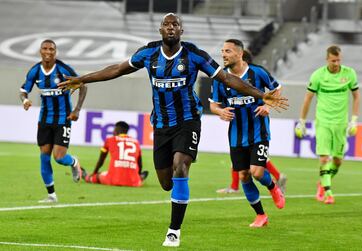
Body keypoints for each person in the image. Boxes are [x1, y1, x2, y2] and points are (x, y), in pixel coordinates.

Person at [58, 13, 288, 247]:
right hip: (161, 125)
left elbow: (227, 79)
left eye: (175, 25)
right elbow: (117, 69)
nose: (171, 28)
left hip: (188, 121)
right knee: (166, 182)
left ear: (181, 31)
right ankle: (180, 196)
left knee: (181, 166)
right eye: (166, 25)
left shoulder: (195, 55)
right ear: (160, 30)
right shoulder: (148, 53)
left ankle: (173, 231)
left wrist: (261, 95)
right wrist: (83, 79)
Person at [209, 39, 286, 228]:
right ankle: (261, 215)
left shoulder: (257, 73)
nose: (223, 54)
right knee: (243, 175)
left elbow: (277, 89)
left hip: (259, 131)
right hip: (236, 133)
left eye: (227, 51)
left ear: (239, 54)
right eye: (222, 51)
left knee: (257, 172)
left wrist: (268, 105)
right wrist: (220, 112)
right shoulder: (220, 78)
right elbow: (213, 104)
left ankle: (273, 187)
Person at [19, 39, 87, 203]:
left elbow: (82, 85)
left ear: (55, 52)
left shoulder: (63, 69)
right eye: (45, 48)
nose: (48, 51)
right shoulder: (35, 71)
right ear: (40, 51)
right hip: (44, 119)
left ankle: (74, 161)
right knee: (44, 156)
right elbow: (23, 90)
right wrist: (25, 100)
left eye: (51, 49)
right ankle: (52, 195)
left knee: (59, 157)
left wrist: (76, 110)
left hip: (63, 119)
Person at [295, 45, 360, 204]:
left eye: (338, 60)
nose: (336, 63)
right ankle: (328, 192)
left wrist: (354, 119)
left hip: (341, 123)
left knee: (337, 161)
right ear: (327, 59)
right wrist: (301, 122)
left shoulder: (349, 73)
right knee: (324, 159)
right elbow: (308, 99)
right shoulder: (318, 75)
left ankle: (323, 181)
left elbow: (356, 97)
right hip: (323, 121)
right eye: (333, 60)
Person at [81, 121, 148, 187]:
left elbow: (101, 161)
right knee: (134, 176)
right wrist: (137, 175)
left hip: (114, 180)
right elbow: (140, 164)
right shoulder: (136, 142)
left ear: (117, 130)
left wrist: (94, 173)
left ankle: (87, 177)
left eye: (114, 130)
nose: (113, 132)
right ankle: (140, 178)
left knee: (99, 175)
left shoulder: (110, 140)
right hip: (134, 182)